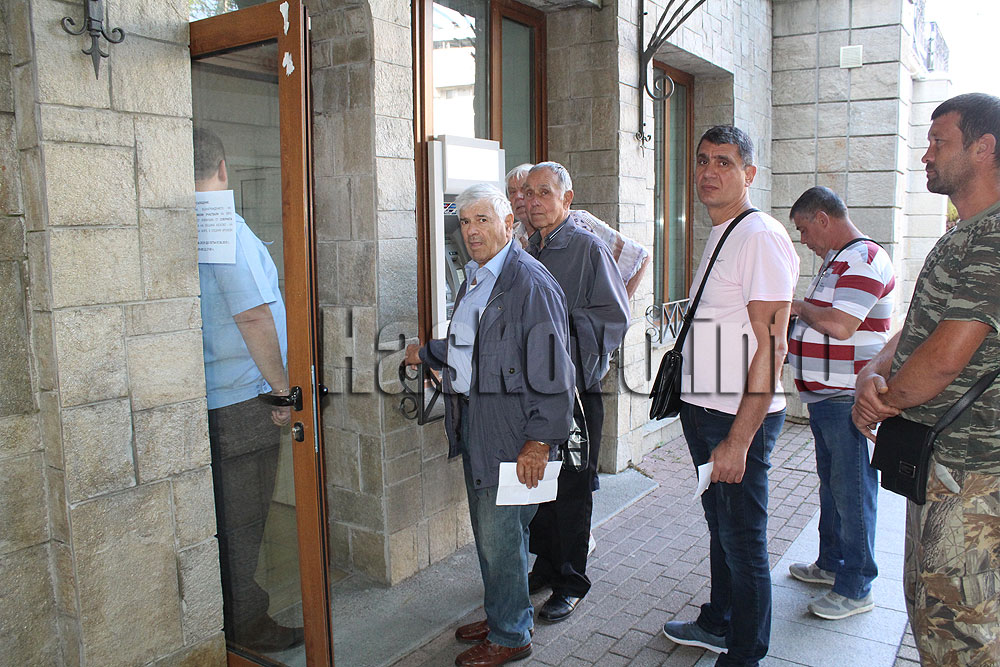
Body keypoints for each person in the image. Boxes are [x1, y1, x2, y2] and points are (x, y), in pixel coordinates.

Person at [852, 93, 1000, 666]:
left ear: (983, 149)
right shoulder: (964, 232)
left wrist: (882, 402)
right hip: (941, 465)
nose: (926, 155)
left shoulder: (993, 236)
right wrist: (874, 372)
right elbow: (919, 330)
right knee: (929, 609)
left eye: (939, 142)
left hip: (971, 474)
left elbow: (946, 355)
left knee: (959, 629)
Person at [405, 183, 574, 666]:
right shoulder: (477, 278)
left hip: (513, 434)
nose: (472, 231)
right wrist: (427, 352)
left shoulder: (529, 284)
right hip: (477, 424)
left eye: (482, 219)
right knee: (495, 536)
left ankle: (511, 635)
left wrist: (539, 441)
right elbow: (472, 343)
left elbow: (554, 373)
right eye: (464, 222)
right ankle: (506, 610)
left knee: (500, 539)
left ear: (508, 224)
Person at [661, 126, 798, 666]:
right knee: (721, 530)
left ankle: (744, 654)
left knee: (743, 543)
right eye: (702, 160)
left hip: (736, 419)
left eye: (724, 162)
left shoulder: (759, 236)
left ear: (749, 174)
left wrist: (739, 439)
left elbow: (773, 344)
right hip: (706, 409)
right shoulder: (725, 230)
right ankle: (718, 621)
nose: (709, 171)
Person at [193, 128, 303, 652]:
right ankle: (245, 624)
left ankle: (229, 616)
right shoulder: (223, 229)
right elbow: (254, 315)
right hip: (241, 401)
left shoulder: (191, 225)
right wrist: (282, 391)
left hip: (217, 394)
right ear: (223, 168)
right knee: (242, 520)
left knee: (230, 516)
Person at [520, 162, 631, 623]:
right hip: (531, 390)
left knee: (572, 488)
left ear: (567, 199)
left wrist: (558, 336)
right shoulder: (529, 247)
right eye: (528, 193)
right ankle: (547, 565)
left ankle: (571, 581)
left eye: (544, 192)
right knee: (542, 483)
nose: (534, 201)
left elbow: (614, 317)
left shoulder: (587, 248)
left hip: (575, 392)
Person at [785, 186, 895, 620]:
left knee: (852, 491)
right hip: (826, 397)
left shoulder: (863, 259)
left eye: (804, 229)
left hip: (846, 397)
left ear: (823, 219)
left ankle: (857, 586)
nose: (803, 240)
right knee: (833, 486)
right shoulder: (837, 260)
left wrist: (798, 306)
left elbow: (840, 325)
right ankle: (831, 564)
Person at [505, 164, 650, 299]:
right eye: (514, 192)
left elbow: (638, 255)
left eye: (543, 192)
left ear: (566, 198)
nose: (519, 197)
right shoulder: (511, 235)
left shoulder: (581, 225)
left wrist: (620, 302)